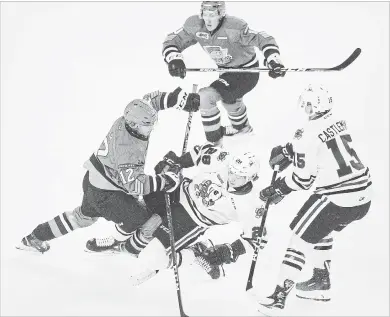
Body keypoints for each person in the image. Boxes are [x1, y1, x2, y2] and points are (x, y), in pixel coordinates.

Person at [16, 87, 200, 254]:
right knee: (138, 218)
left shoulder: (127, 120)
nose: (151, 127)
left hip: (93, 180)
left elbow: (151, 101)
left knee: (82, 217)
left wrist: (180, 100)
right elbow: (136, 185)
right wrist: (165, 181)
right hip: (107, 194)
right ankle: (114, 243)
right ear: (135, 125)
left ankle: (34, 237)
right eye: (148, 124)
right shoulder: (128, 149)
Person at [256, 84, 373, 314]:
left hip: (339, 197)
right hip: (363, 196)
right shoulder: (338, 120)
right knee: (322, 228)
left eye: (307, 104)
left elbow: (303, 180)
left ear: (315, 106)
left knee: (299, 238)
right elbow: (321, 144)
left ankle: (278, 298)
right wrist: (290, 152)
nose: (305, 108)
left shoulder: (305, 135)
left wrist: (279, 188)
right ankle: (320, 282)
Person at [89, 142, 266, 281]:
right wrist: (176, 163)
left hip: (192, 220)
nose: (233, 177)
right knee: (137, 207)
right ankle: (116, 240)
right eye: (232, 171)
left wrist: (230, 250)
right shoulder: (223, 159)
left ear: (251, 178)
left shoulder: (251, 204)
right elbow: (200, 152)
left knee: (151, 258)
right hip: (178, 191)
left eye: (240, 176)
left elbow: (258, 239)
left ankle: (196, 252)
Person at [162, 1, 285, 146]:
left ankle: (214, 144)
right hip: (226, 72)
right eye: (205, 14)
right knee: (229, 100)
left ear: (221, 15)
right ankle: (243, 130)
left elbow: (262, 38)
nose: (207, 19)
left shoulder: (234, 27)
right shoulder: (195, 25)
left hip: (246, 73)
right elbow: (172, 39)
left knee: (206, 96)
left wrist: (273, 59)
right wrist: (174, 58)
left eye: (212, 15)